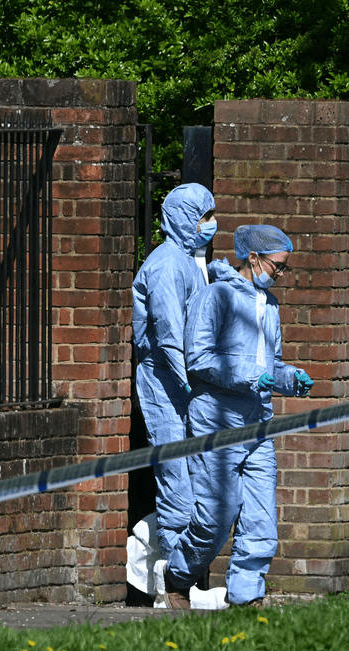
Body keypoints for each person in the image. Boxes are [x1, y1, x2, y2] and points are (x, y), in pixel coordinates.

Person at [162, 224, 315, 609]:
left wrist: (290, 378)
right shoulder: (215, 297)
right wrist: (251, 376)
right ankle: (177, 576)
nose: (280, 274)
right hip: (217, 419)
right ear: (254, 258)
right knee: (217, 516)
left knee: (262, 518)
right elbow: (197, 359)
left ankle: (247, 597)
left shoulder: (270, 305)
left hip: (258, 421)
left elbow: (270, 363)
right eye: (277, 266)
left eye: (283, 268)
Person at [131, 183, 217, 566]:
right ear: (184, 219)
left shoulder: (188, 260)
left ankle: (163, 558)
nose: (211, 224)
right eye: (205, 217)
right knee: (177, 483)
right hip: (165, 381)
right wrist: (189, 378)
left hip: (183, 383)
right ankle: (171, 581)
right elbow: (168, 333)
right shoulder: (168, 264)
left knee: (196, 480)